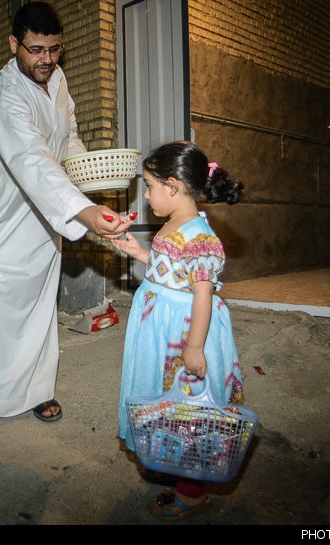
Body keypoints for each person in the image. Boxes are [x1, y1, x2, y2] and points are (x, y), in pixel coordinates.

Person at [0, 1, 129, 433]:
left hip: (43, 222)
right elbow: (31, 158)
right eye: (35, 50)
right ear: (14, 45)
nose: (46, 60)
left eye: (54, 49)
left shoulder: (58, 80)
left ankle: (37, 390)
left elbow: (67, 141)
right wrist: (81, 211)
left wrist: (93, 179)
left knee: (37, 313)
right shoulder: (2, 94)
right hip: (0, 222)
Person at [110, 141, 246, 519]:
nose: (148, 194)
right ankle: (167, 459)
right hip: (158, 326)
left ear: (172, 186)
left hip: (182, 331)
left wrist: (195, 348)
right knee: (162, 397)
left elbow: (202, 294)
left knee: (188, 406)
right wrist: (137, 253)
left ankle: (191, 493)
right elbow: (166, 266)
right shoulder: (173, 223)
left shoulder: (201, 238)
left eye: (150, 186)